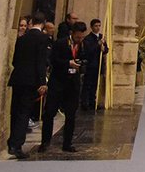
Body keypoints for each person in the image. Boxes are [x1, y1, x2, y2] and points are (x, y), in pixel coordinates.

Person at [40, 21, 88, 153]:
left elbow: (85, 59)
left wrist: (82, 64)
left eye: (82, 37)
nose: (80, 39)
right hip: (58, 82)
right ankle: (45, 142)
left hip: (73, 84)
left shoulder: (83, 45)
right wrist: (68, 63)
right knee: (50, 113)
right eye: (78, 37)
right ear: (72, 34)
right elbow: (53, 60)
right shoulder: (61, 43)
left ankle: (67, 143)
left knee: (71, 115)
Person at [7, 16, 49, 159]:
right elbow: (41, 62)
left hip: (17, 78)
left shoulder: (22, 38)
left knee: (15, 110)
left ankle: (11, 141)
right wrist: (42, 82)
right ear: (43, 24)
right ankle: (17, 145)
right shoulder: (43, 39)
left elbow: (14, 60)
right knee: (24, 112)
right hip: (31, 80)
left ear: (31, 23)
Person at [80, 18, 107, 111]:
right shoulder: (88, 38)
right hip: (91, 64)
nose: (98, 28)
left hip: (98, 64)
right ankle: (85, 102)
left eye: (99, 25)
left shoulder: (101, 37)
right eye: (96, 26)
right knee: (88, 84)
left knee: (95, 84)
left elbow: (106, 49)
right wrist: (98, 45)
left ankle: (93, 102)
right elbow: (88, 51)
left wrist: (104, 49)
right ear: (91, 27)